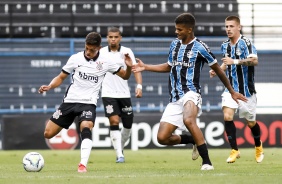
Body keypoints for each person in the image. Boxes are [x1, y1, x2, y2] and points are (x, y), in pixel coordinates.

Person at [132, 13, 247, 171]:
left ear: (189, 29)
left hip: (191, 93)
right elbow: (169, 66)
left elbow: (218, 70)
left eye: (179, 29)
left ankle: (207, 162)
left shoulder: (200, 47)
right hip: (175, 98)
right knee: (162, 138)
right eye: (176, 29)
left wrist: (232, 91)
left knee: (188, 120)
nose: (176, 32)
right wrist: (146, 67)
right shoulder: (174, 45)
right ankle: (192, 139)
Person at [38, 32, 133, 173]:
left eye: (92, 50)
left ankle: (82, 164)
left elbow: (125, 76)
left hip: (88, 103)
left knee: (86, 127)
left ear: (99, 48)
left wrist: (129, 67)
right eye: (87, 48)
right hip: (69, 101)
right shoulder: (75, 58)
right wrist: (50, 86)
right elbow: (61, 77)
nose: (88, 52)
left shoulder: (106, 61)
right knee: (48, 133)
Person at [209, 15, 264, 163]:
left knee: (251, 123)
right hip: (231, 90)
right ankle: (234, 150)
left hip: (247, 91)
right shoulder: (224, 45)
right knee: (227, 116)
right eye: (226, 26)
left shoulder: (246, 43)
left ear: (239, 27)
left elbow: (254, 61)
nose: (228, 29)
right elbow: (226, 63)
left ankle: (258, 146)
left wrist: (235, 61)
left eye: (231, 26)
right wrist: (218, 70)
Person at [100, 27, 143, 163]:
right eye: (110, 37)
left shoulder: (126, 51)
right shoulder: (101, 53)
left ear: (120, 38)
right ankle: (120, 155)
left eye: (116, 37)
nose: (113, 39)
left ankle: (120, 148)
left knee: (128, 125)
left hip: (124, 93)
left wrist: (139, 86)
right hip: (107, 93)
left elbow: (135, 70)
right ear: (107, 38)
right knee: (113, 121)